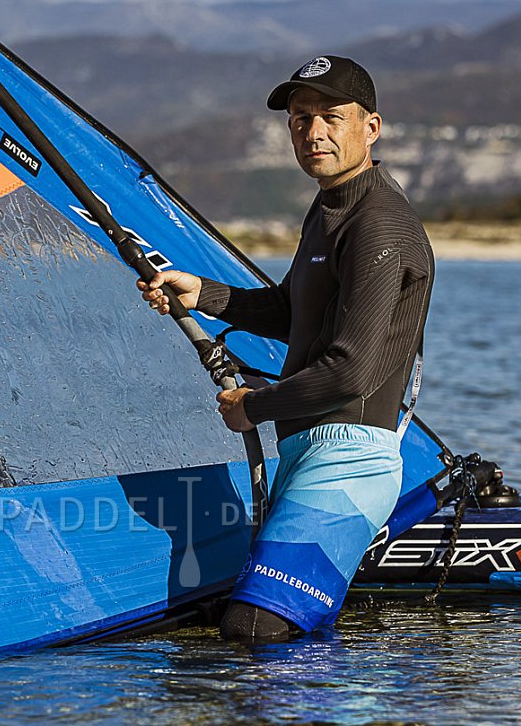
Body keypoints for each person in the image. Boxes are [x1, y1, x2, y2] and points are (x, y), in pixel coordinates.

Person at [139, 55, 434, 641]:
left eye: (331, 117)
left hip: (350, 458)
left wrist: (255, 406)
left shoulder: (378, 222)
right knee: (272, 630)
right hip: (308, 450)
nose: (314, 134)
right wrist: (204, 293)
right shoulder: (330, 208)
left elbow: (351, 372)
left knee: (254, 629)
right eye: (300, 120)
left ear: (370, 127)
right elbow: (295, 314)